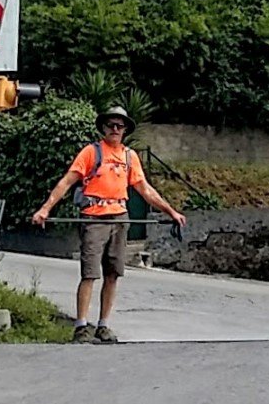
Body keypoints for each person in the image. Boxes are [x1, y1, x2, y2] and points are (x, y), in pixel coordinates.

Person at [31, 106, 186, 343]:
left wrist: (171, 211)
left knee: (112, 273)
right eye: (111, 125)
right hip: (94, 217)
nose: (115, 129)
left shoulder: (129, 156)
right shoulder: (91, 152)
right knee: (90, 273)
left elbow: (145, 189)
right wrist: (45, 208)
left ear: (125, 130)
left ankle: (103, 325)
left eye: (119, 126)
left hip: (119, 217)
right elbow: (66, 182)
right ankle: (82, 326)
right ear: (103, 128)